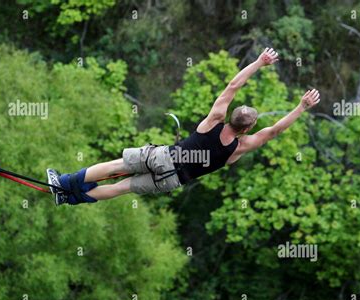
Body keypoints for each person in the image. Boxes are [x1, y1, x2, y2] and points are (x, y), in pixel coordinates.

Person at [47, 48, 320, 206]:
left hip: (163, 156)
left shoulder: (213, 120)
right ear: (247, 129)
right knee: (122, 188)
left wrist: (259, 62)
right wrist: (301, 107)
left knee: (117, 166)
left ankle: (64, 183)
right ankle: (69, 199)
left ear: (230, 116)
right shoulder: (240, 147)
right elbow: (274, 131)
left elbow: (233, 86)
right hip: (173, 179)